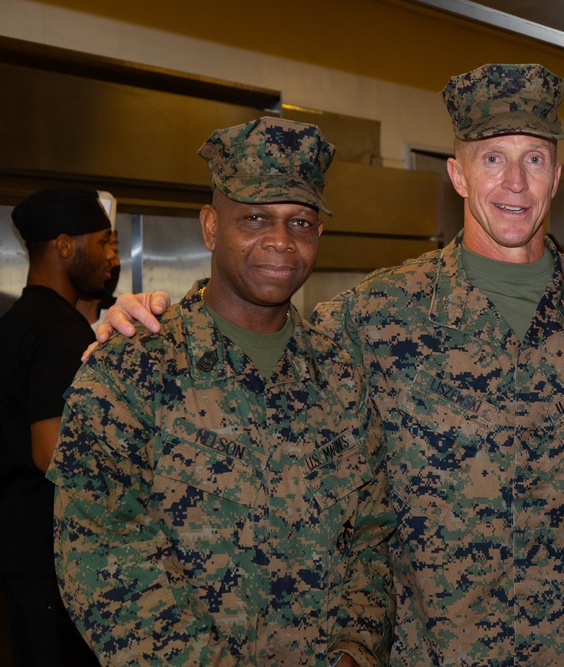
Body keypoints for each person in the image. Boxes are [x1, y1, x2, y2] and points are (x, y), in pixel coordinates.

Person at [95, 66, 564, 665]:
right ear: (457, 174)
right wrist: (140, 317)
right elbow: (253, 365)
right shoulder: (371, 315)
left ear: (556, 175)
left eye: (533, 160)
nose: (514, 184)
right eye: (492, 159)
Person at [47, 117, 395, 667]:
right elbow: (102, 554)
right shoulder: (133, 370)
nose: (281, 242)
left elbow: (373, 539)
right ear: (211, 226)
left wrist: (353, 651)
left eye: (300, 223)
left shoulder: (341, 376)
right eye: (255, 218)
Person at [0, 185, 114, 666]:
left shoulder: (15, 321)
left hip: (17, 547)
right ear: (66, 246)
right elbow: (51, 452)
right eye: (104, 242)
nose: (112, 256)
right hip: (53, 559)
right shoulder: (62, 333)